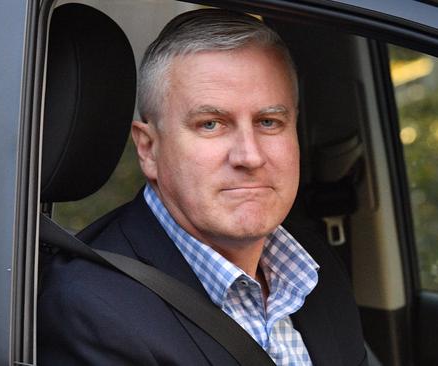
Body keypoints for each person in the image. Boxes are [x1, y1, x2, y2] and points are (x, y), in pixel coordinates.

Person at [39, 8, 367, 365]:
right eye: (211, 124)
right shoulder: (92, 312)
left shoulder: (315, 268)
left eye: (269, 122)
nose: (250, 156)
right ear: (148, 149)